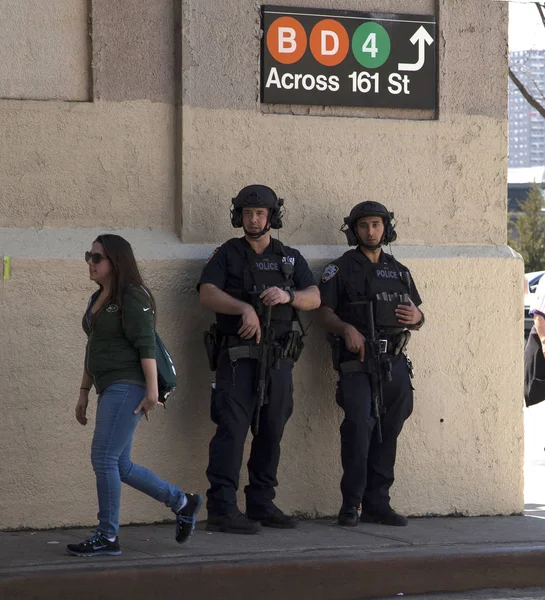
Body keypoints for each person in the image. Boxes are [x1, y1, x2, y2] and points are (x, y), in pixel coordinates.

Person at [67, 234, 202, 557]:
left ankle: (107, 536)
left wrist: (153, 392)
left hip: (129, 385)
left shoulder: (133, 295)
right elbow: (93, 349)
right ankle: (182, 502)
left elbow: (145, 344)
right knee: (120, 464)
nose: (90, 262)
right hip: (108, 386)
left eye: (97, 257)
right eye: (89, 255)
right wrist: (84, 391)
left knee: (103, 458)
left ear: (116, 261)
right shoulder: (96, 299)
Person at [198, 185, 320, 534]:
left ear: (271, 217)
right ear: (239, 216)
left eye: (261, 213)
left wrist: (288, 295)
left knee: (271, 431)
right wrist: (244, 309)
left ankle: (261, 502)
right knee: (232, 431)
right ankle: (222, 508)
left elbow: (314, 297)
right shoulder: (227, 254)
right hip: (238, 358)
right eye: (248, 213)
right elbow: (207, 292)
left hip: (279, 359)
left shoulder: (288, 257)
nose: (254, 219)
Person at [316, 202, 424, 527]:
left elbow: (416, 315)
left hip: (394, 362)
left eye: (376, 224)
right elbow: (322, 311)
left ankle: (378, 503)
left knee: (388, 430)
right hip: (357, 363)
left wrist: (418, 318)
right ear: (354, 230)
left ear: (386, 228)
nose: (370, 231)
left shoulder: (399, 270)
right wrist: (345, 328)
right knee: (358, 428)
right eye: (363, 226)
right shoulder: (340, 268)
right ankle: (351, 505)